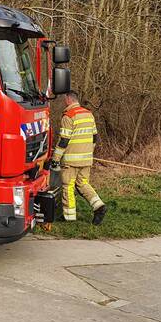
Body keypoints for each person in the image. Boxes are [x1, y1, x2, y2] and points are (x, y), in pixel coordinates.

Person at [50, 91, 106, 225]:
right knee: (83, 184)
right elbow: (94, 137)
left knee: (68, 186)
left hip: (71, 160)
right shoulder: (88, 114)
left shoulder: (68, 116)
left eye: (65, 99)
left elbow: (63, 140)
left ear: (69, 99)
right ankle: (99, 207)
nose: (64, 101)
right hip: (86, 159)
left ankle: (69, 217)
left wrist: (55, 158)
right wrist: (89, 152)